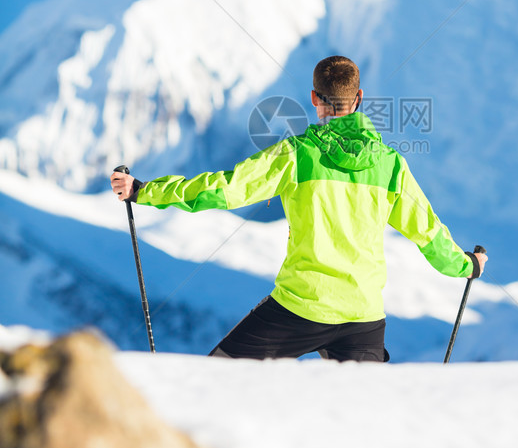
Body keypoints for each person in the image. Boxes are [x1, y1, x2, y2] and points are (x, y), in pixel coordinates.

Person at [110, 55, 487, 362]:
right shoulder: (391, 165)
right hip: (364, 316)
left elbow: (226, 189)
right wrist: (466, 265)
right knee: (367, 419)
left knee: (217, 378)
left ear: (314, 98)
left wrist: (144, 191)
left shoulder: (295, 154)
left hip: (299, 308)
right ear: (358, 99)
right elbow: (429, 232)